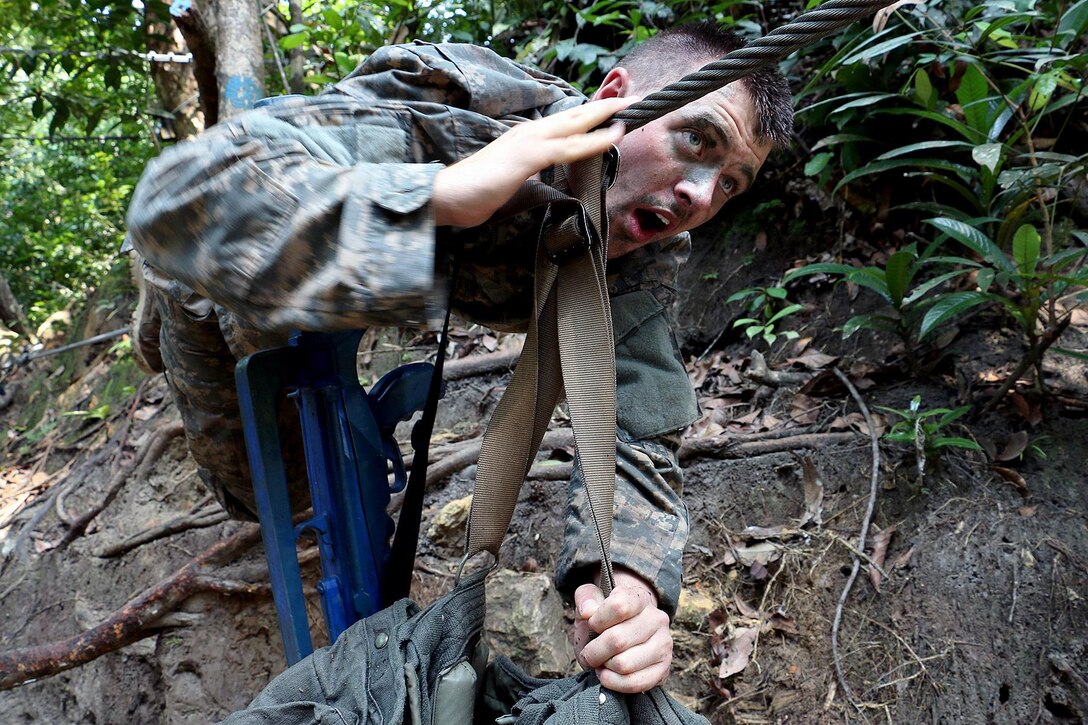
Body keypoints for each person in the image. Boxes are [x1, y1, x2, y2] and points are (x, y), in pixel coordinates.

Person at [124, 21, 793, 694]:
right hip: (241, 268)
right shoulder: (460, 115)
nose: (700, 196)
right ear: (614, 98)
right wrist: (441, 194)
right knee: (251, 477)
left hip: (387, 273)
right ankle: (155, 311)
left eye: (731, 184)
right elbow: (176, 202)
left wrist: (630, 587)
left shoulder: (643, 248)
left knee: (293, 485)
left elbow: (638, 411)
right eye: (696, 140)